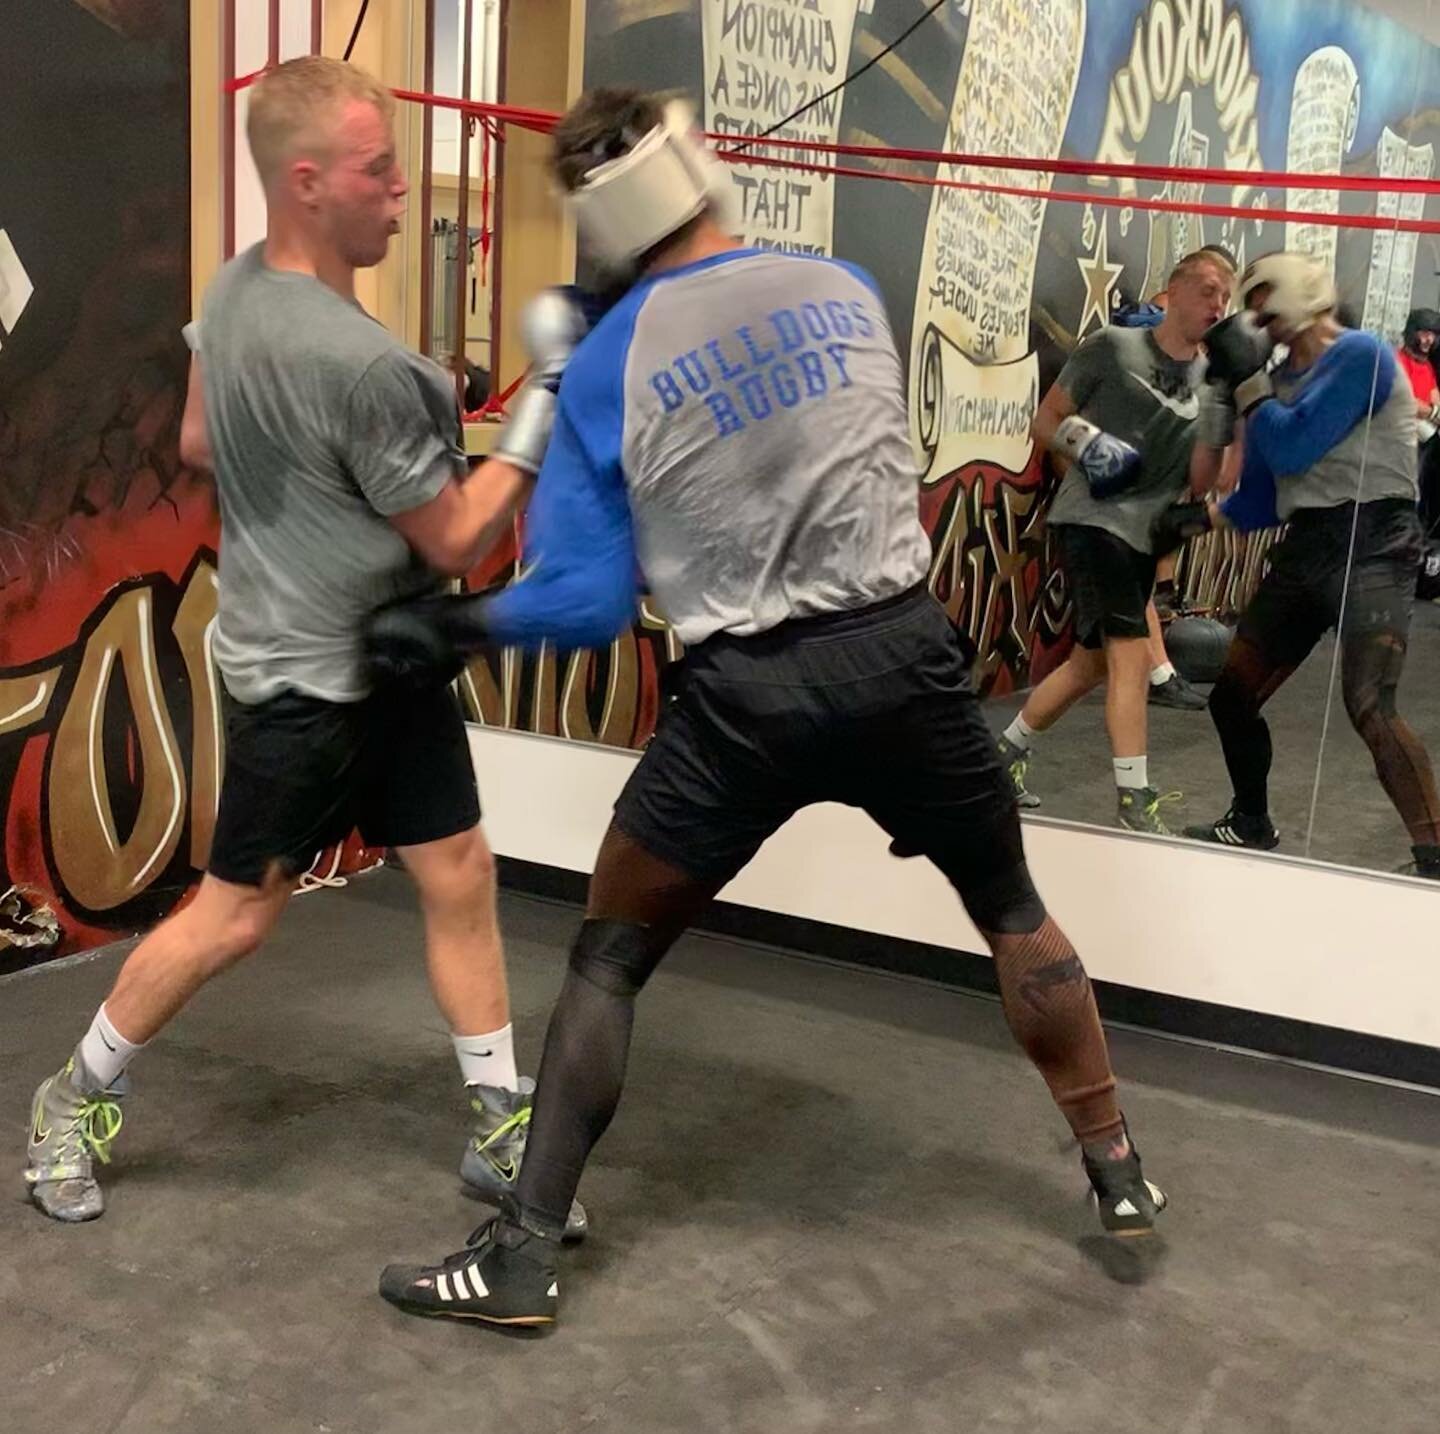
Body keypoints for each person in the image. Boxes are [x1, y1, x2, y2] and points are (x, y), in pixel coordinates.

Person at [366, 87, 1168, 1331]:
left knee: (612, 955)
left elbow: (581, 604)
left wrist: (454, 623)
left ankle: (525, 1253)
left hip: (747, 698)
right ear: (700, 178)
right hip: (908, 659)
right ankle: (1117, 1170)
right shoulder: (844, 287)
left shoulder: (610, 361)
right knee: (1012, 910)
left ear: (597, 222)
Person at [23, 56, 584, 1238]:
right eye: (381, 173)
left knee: (458, 870)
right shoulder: (362, 366)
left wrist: (312, 490)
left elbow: (193, 435)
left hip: (384, 659)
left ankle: (497, 1120)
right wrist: (548, 400)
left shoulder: (235, 294)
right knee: (237, 915)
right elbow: (461, 535)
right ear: (309, 183)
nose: (400, 193)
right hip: (306, 681)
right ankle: (71, 1097)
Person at [1183, 252, 1440, 875]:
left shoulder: (1363, 355)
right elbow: (1269, 495)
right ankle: (1250, 821)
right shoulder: (1274, 382)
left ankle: (1435, 855)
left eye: (1262, 294)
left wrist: (1246, 388)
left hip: (1376, 538)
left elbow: (1298, 439)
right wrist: (1198, 519)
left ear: (1299, 289)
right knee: (1232, 695)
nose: (1254, 312)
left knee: (1369, 705)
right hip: (1309, 543)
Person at [997, 251, 1234, 829]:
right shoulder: (1113, 346)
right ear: (1170, 291)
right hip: (1093, 520)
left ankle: (1003, 755)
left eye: (1224, 297)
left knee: (1091, 665)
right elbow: (1047, 419)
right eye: (1206, 290)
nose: (1216, 304)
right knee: (1130, 657)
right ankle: (1135, 797)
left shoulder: (1211, 384)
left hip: (1142, 535)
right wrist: (1091, 447)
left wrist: (1239, 396)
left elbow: (1211, 484)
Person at [1396, 308, 1440, 532]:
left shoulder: (1427, 367)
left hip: (1424, 435)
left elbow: (1434, 399)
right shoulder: (1398, 361)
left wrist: (1434, 412)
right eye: (1423, 333)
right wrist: (1433, 413)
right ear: (1412, 333)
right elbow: (1407, 403)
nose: (1428, 339)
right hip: (1403, 431)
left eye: (1432, 334)